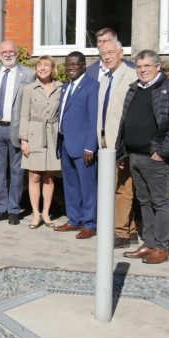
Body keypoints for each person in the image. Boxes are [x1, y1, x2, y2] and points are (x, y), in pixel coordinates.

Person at [119, 50, 169, 264]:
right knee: (144, 201)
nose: (142, 70)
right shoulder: (134, 89)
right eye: (139, 66)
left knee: (160, 202)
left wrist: (163, 151)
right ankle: (149, 243)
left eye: (147, 66)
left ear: (158, 66)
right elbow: (124, 123)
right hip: (135, 155)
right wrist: (122, 152)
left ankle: (162, 247)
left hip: (156, 158)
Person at [96, 39, 139, 248]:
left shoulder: (131, 76)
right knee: (118, 187)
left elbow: (132, 114)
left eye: (111, 52)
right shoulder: (105, 78)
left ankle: (120, 233)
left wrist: (126, 146)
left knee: (123, 188)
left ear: (121, 53)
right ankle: (130, 231)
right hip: (105, 141)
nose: (107, 56)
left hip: (121, 143)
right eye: (103, 53)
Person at [0, 40, 35, 225]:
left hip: (16, 128)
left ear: (17, 53)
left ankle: (14, 210)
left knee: (16, 171)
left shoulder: (28, 74)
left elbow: (30, 105)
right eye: (4, 52)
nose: (7, 55)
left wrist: (27, 134)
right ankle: (1, 208)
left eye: (11, 51)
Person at [54, 51, 100, 239]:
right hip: (65, 143)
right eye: (67, 64)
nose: (71, 67)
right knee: (71, 184)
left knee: (87, 186)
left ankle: (90, 223)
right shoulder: (65, 87)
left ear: (83, 65)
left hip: (83, 147)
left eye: (75, 64)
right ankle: (74, 219)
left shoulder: (92, 86)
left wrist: (90, 146)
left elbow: (94, 118)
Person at [18, 56, 62, 228]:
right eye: (39, 65)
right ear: (36, 69)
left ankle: (46, 213)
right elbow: (24, 115)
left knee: (49, 177)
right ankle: (35, 214)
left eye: (47, 65)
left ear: (52, 69)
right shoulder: (29, 89)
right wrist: (24, 139)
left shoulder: (60, 88)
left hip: (53, 135)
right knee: (34, 175)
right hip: (34, 134)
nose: (43, 68)